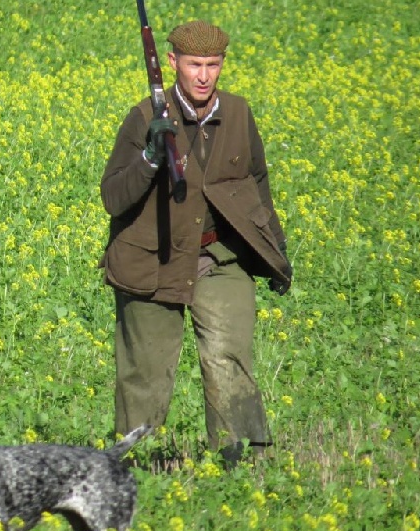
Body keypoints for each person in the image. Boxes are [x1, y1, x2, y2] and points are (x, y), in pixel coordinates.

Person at [99, 20, 292, 466]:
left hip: (218, 256)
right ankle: (130, 467)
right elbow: (113, 197)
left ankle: (240, 465)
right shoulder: (145, 117)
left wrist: (276, 251)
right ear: (173, 63)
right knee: (145, 373)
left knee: (230, 358)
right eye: (193, 65)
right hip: (153, 259)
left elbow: (257, 184)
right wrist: (150, 156)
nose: (203, 75)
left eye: (212, 65)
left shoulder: (240, 114)